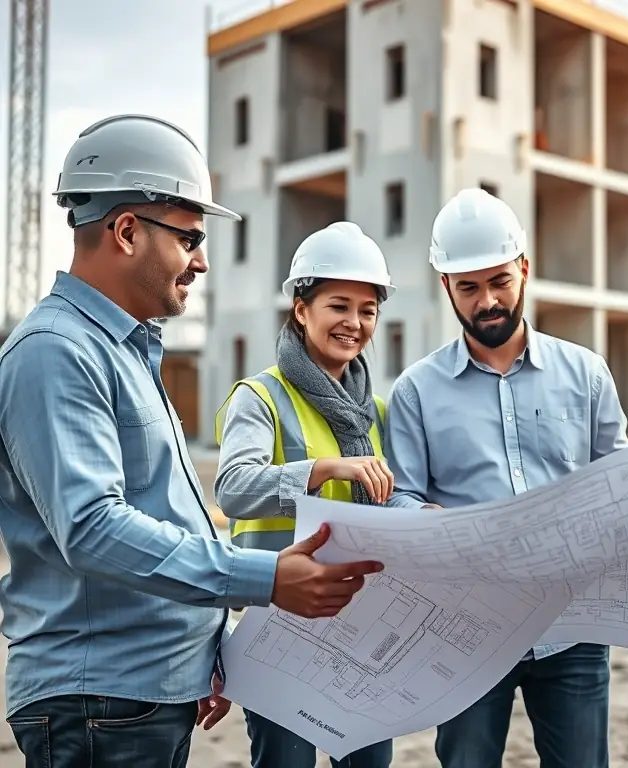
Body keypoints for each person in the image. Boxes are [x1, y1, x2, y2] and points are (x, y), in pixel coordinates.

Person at [0, 114, 382, 768]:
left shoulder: (125, 353)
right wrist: (263, 578)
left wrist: (202, 646)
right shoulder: (56, 354)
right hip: (100, 704)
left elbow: (162, 516)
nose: (202, 261)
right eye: (189, 239)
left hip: (140, 694)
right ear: (125, 232)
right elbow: (92, 527)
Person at [384, 187, 628, 768]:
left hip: (572, 624)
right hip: (465, 630)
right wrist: (427, 521)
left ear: (524, 267)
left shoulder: (586, 373)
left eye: (499, 281)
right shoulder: (416, 391)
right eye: (468, 288)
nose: (487, 300)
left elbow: (621, 483)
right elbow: (399, 496)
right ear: (446, 286)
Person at [214, 221, 396, 768]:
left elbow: (393, 507)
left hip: (363, 632)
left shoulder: (376, 412)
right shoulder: (260, 397)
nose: (354, 323)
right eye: (339, 305)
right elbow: (233, 490)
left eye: (367, 310)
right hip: (279, 629)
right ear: (301, 308)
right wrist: (323, 468)